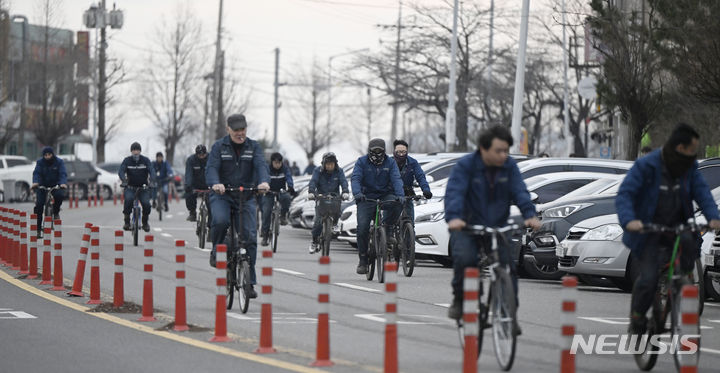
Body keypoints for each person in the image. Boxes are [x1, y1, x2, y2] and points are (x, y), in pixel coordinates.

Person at [616, 123, 720, 335]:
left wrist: (713, 218)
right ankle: (637, 317)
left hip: (678, 227)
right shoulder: (647, 166)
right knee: (649, 278)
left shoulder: (689, 169)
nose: (694, 156)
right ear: (680, 148)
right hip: (648, 231)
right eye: (692, 151)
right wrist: (629, 220)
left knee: (691, 243)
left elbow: (703, 193)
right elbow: (626, 194)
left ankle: (681, 282)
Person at [444, 126, 541, 327]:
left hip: (498, 225)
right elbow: (455, 193)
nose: (503, 155)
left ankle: (508, 312)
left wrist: (529, 215)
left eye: (506, 150)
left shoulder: (509, 167)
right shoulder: (466, 166)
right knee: (466, 259)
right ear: (483, 149)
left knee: (508, 267)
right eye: (498, 151)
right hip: (467, 226)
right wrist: (454, 217)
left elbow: (520, 191)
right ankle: (460, 298)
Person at [206, 113, 270, 299]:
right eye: (236, 130)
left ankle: (249, 282)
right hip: (222, 195)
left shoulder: (253, 147)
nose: (240, 133)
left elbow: (261, 166)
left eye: (243, 130)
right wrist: (215, 184)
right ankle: (216, 248)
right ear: (228, 130)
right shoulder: (219, 147)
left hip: (246, 196)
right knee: (220, 220)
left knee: (250, 236)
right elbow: (211, 168)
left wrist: (264, 182)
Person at [351, 138, 404, 274]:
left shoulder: (390, 162)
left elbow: (396, 179)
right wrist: (357, 193)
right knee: (362, 228)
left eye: (380, 151)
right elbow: (355, 178)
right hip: (366, 197)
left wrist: (400, 195)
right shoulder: (361, 162)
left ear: (384, 151)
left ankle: (388, 229)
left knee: (397, 204)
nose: (377, 153)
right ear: (369, 151)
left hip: (385, 195)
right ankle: (363, 259)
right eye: (374, 151)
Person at [307, 152, 349, 254]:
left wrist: (345, 192)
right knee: (318, 222)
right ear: (323, 164)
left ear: (335, 164)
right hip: (321, 197)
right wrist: (311, 192)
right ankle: (314, 241)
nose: (330, 166)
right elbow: (313, 182)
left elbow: (344, 182)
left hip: (334, 197)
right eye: (327, 164)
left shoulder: (339, 171)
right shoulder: (317, 171)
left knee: (337, 210)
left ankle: (335, 223)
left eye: (332, 164)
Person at [260, 152, 296, 246]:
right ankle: (265, 235)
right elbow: (264, 178)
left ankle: (283, 215)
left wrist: (290, 187)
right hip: (269, 192)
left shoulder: (285, 169)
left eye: (279, 163)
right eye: (275, 163)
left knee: (287, 198)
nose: (277, 165)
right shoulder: (267, 169)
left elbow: (289, 177)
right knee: (266, 211)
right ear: (272, 162)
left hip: (281, 191)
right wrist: (265, 186)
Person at [119, 142, 156, 232]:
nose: (136, 152)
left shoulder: (145, 160)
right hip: (130, 187)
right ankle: (127, 221)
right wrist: (124, 180)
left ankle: (145, 222)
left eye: (137, 150)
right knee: (128, 200)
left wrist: (152, 181)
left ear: (140, 151)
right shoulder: (127, 160)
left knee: (146, 204)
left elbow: (152, 170)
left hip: (143, 188)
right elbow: (121, 171)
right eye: (134, 150)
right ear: (131, 151)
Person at [392, 139, 432, 223]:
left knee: (410, 222)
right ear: (394, 151)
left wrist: (426, 190)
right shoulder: (388, 163)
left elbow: (420, 177)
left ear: (407, 152)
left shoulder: (413, 162)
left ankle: (409, 233)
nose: (401, 154)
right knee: (388, 223)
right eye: (398, 152)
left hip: (407, 194)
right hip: (391, 194)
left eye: (403, 152)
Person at [32, 146, 67, 231]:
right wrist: (35, 182)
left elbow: (62, 173)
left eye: (49, 154)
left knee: (59, 195)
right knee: (39, 205)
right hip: (42, 186)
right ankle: (38, 228)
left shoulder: (59, 162)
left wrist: (62, 183)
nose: (47, 156)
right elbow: (37, 173)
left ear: (52, 154)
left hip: (55, 186)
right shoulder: (40, 162)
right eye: (45, 155)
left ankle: (56, 211)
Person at [185, 144, 209, 222]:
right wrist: (188, 185)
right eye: (199, 155)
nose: (201, 156)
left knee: (213, 201)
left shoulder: (211, 158)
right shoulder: (191, 160)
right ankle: (192, 213)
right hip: (195, 185)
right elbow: (189, 174)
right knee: (188, 193)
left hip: (208, 185)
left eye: (203, 155)